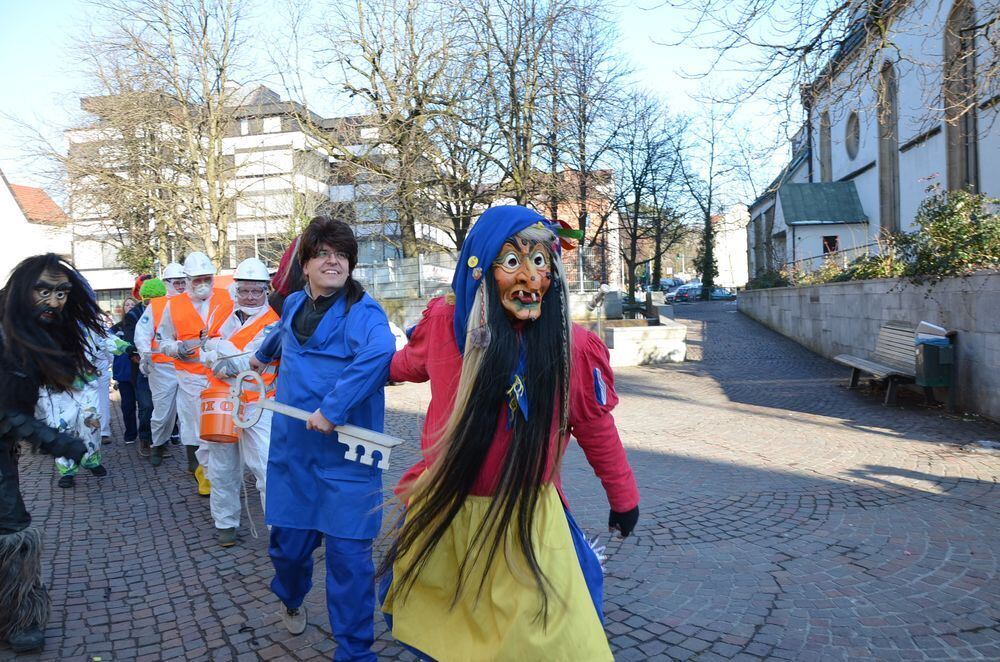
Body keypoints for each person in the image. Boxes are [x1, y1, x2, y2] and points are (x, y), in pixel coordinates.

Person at [379, 206, 641, 661]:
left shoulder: (571, 348)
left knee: (549, 636)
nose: (530, 278)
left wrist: (624, 499)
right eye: (513, 261)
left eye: (541, 262)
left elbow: (597, 428)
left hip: (528, 522)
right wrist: (365, 371)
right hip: (448, 511)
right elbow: (404, 365)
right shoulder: (446, 325)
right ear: (480, 269)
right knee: (436, 621)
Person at [249, 216, 395, 660]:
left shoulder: (364, 313)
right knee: (288, 552)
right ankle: (291, 594)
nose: (334, 261)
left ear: (350, 264)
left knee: (349, 565)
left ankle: (354, 652)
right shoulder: (293, 305)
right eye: (323, 254)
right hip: (294, 459)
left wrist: (333, 409)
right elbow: (281, 335)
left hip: (347, 463)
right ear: (306, 264)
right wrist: (259, 358)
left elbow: (380, 353)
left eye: (342, 255)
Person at [0, 254, 94, 652]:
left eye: (61, 292)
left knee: (11, 530)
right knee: (12, 527)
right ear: (24, 289)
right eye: (44, 290)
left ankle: (19, 617)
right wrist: (56, 441)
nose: (54, 301)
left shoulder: (25, 335)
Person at [199, 257, 279, 548]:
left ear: (265, 291)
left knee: (267, 470)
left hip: (257, 405)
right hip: (221, 401)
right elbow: (204, 349)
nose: (249, 296)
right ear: (237, 290)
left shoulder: (274, 324)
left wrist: (221, 354)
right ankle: (225, 525)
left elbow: (255, 359)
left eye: (255, 291)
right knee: (222, 469)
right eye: (244, 290)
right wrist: (215, 353)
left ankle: (278, 531)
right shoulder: (222, 315)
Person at [157, 253, 233, 495]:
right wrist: (176, 349)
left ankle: (222, 471)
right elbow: (163, 338)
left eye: (207, 279)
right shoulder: (174, 304)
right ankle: (200, 470)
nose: (203, 284)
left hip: (221, 375)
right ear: (187, 280)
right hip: (189, 375)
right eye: (197, 280)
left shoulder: (227, 298)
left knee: (221, 424)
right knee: (193, 424)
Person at [134, 264, 186, 465]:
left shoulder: (197, 304)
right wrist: (145, 355)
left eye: (183, 282)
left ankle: (196, 454)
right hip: (162, 367)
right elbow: (142, 333)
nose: (181, 286)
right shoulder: (155, 306)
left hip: (191, 367)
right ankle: (158, 444)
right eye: (177, 283)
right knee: (163, 412)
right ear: (167, 284)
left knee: (191, 413)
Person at [124, 279, 166, 455]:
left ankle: (160, 442)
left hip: (165, 366)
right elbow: (131, 338)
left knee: (162, 406)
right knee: (146, 405)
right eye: (151, 300)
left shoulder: (167, 310)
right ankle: (145, 439)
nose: (153, 304)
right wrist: (139, 355)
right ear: (144, 298)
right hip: (143, 367)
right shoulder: (134, 315)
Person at [111, 298, 139, 442]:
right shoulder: (116, 328)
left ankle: (147, 436)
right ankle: (130, 434)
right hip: (123, 372)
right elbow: (109, 346)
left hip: (140, 371)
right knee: (127, 405)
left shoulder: (141, 326)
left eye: (133, 305)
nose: (130, 307)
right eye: (127, 305)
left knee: (144, 405)